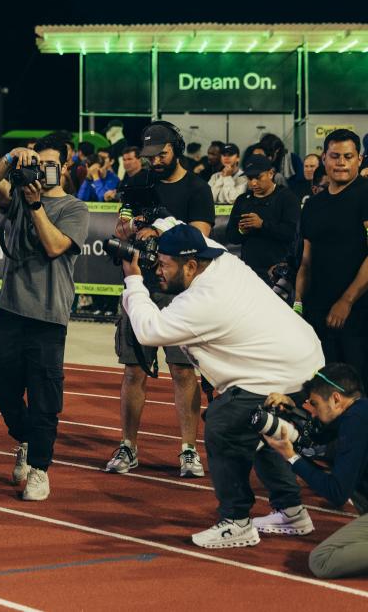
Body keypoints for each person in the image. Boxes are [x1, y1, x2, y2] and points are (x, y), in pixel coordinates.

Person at [121, 222, 324, 549]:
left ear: (189, 266)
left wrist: (132, 278)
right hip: (298, 358)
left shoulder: (203, 299)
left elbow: (149, 330)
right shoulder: (222, 260)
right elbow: (185, 230)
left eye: (163, 265)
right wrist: (153, 226)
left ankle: (237, 520)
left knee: (223, 421)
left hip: (282, 370)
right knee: (257, 427)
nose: (157, 270)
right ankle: (291, 512)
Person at [0, 138, 90, 502]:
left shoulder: (75, 208)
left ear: (65, 166)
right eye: (36, 163)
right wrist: (11, 157)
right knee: (0, 388)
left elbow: (55, 246)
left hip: (48, 315)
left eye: (48, 165)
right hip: (11, 310)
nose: (40, 171)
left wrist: (36, 206)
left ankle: (40, 468)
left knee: (45, 397)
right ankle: (26, 440)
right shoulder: (16, 196)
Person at [105, 121, 215, 479]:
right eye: (149, 155)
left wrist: (160, 227)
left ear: (177, 148)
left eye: (161, 154)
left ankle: (188, 449)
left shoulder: (198, 188)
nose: (154, 161)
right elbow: (123, 221)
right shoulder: (136, 184)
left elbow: (200, 239)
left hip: (182, 293)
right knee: (134, 370)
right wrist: (127, 227)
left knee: (184, 371)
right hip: (141, 286)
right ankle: (128, 445)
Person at [262, 364, 368, 578]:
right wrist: (293, 410)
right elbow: (322, 444)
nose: (313, 412)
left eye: (315, 404)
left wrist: (292, 457)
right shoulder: (360, 413)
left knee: (322, 560)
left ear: (336, 399)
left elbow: (337, 493)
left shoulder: (355, 421)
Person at [295, 128, 368, 378]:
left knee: (358, 390)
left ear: (360, 159)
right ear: (324, 158)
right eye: (335, 156)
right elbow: (306, 261)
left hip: (359, 314)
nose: (341, 163)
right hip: (319, 312)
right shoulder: (313, 205)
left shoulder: (365, 194)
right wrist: (298, 306)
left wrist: (346, 301)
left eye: (348, 157)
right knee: (325, 389)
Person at [225, 154, 301, 282]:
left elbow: (293, 233)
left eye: (258, 177)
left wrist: (262, 225)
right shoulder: (242, 200)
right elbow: (231, 236)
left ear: (271, 173)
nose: (253, 183)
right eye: (250, 178)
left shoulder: (287, 198)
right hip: (248, 271)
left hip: (278, 272)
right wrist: (242, 231)